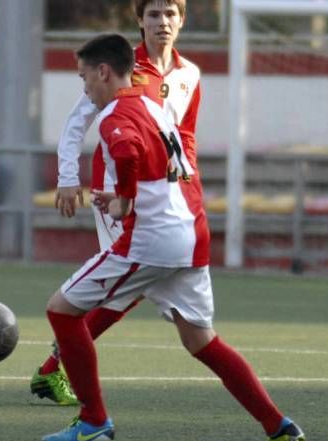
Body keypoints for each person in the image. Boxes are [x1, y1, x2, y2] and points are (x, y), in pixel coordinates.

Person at [40, 33, 305, 441]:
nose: (83, 85)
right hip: (189, 231)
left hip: (151, 239)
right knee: (201, 340)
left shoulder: (115, 114)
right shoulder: (150, 103)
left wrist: (124, 199)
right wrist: (127, 197)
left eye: (84, 76)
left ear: (103, 71)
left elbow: (125, 151)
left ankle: (93, 419)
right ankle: (278, 428)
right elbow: (155, 164)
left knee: (61, 310)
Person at [30, 0, 204, 407]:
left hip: (163, 196)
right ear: (139, 21)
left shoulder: (189, 74)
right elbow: (77, 123)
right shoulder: (122, 69)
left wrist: (188, 186)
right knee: (125, 289)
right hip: (116, 194)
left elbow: (185, 136)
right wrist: (68, 178)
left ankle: (53, 369)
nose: (163, 22)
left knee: (128, 290)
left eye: (170, 14)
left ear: (182, 20)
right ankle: (56, 370)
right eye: (154, 14)